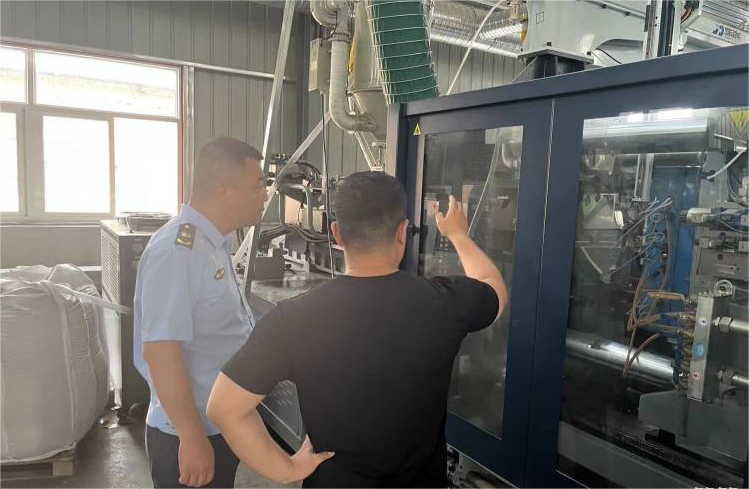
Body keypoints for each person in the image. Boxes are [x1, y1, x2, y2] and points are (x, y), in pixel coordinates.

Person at [206, 171, 508, 488]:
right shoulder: (443, 302)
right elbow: (494, 288)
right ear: (402, 232)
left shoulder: (294, 318)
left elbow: (225, 409)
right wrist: (458, 236)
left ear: (336, 233)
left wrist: (287, 470)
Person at [133, 137, 268, 488]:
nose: (265, 197)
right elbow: (161, 352)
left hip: (218, 423)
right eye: (257, 187)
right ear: (223, 190)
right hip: (191, 432)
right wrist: (191, 438)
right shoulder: (178, 251)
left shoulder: (211, 242)